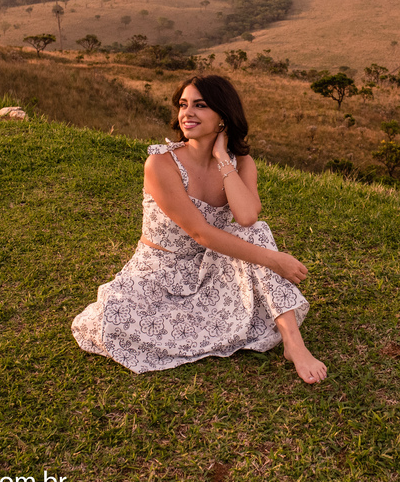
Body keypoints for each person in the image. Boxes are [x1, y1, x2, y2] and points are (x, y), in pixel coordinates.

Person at [72, 74, 327, 384]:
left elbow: (247, 217)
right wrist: (274, 260)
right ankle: (214, 322)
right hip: (159, 271)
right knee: (110, 320)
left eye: (200, 105)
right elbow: (200, 233)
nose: (187, 113)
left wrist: (222, 158)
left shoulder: (241, 162)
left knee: (255, 233)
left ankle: (294, 345)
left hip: (210, 265)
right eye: (183, 105)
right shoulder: (161, 163)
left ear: (223, 116)